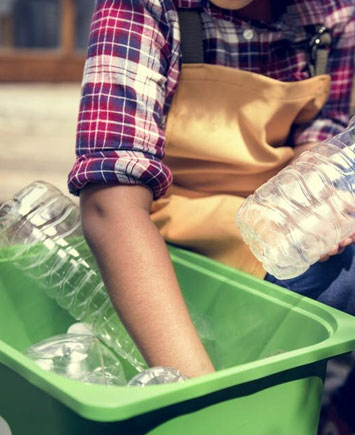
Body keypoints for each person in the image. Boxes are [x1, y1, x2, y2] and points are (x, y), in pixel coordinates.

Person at [68, 0, 355, 378]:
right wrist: (197, 389)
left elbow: (316, 145)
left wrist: (323, 205)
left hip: (275, 239)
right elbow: (110, 207)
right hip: (170, 252)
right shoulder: (145, 7)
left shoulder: (329, 13)